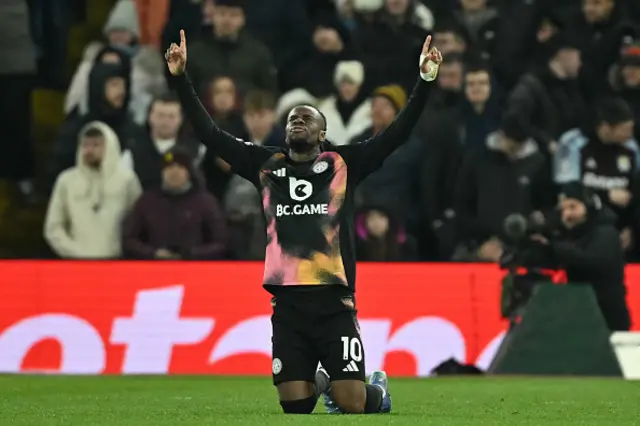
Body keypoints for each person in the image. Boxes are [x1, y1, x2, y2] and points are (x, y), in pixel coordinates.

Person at [165, 29, 441, 415]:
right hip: (288, 307)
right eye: (294, 118)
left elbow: (397, 134)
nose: (298, 121)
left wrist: (425, 81)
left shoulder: (344, 163)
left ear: (322, 133)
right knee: (296, 408)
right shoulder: (266, 165)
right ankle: (322, 380)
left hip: (334, 306)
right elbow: (210, 134)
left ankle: (374, 389)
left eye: (307, 118)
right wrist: (181, 79)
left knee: (353, 404)